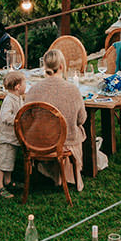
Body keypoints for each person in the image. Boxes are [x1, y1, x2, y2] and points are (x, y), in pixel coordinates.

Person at [24, 49, 91, 186]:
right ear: (61, 66)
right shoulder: (73, 90)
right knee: (79, 130)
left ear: (45, 67)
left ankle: (46, 170)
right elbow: (81, 120)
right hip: (64, 142)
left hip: (38, 140)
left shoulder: (33, 89)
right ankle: (76, 170)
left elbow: (25, 118)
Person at [0, 70, 27, 196]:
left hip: (12, 137)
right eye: (24, 84)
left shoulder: (17, 98)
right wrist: (18, 120)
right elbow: (6, 117)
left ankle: (8, 181)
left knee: (10, 160)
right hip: (5, 138)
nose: (25, 86)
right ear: (18, 87)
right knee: (3, 162)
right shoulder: (9, 100)